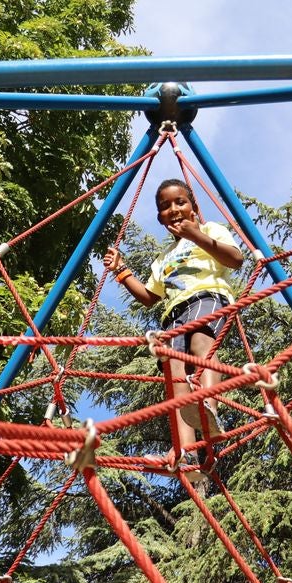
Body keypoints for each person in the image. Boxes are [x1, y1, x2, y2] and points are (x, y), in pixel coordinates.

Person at [104, 178, 243, 469]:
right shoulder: (162, 258)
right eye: (165, 206)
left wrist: (196, 236)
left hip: (208, 297)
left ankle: (208, 408)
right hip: (174, 313)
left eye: (180, 201)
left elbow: (235, 259)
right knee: (175, 370)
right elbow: (148, 296)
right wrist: (121, 270)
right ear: (159, 217)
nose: (174, 209)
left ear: (193, 207)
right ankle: (186, 452)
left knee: (201, 340)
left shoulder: (209, 229)